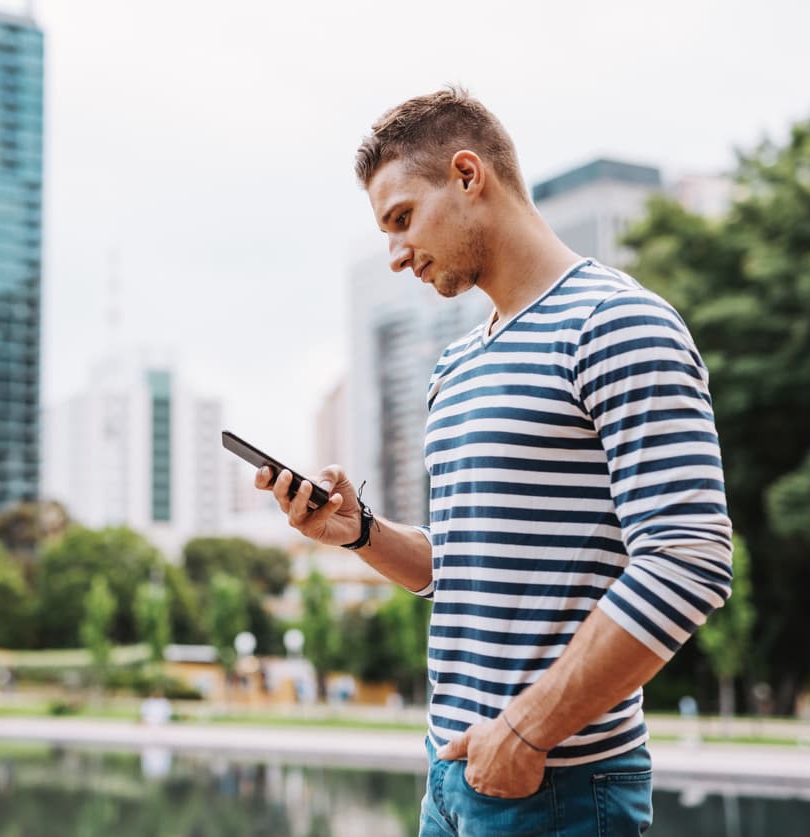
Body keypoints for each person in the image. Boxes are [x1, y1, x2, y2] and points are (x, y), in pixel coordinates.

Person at [256, 86, 733, 836]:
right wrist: (361, 531)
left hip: (562, 788)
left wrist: (527, 729)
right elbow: (466, 568)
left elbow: (688, 556)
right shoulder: (456, 366)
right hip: (451, 783)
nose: (396, 254)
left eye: (403, 219)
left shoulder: (618, 322)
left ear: (469, 174)